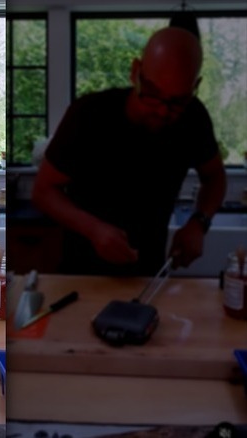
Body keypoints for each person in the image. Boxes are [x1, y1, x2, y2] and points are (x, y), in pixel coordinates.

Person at [32, 26, 227, 277]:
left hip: (149, 272)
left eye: (177, 101)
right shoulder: (88, 115)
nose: (162, 111)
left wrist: (199, 223)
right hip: (81, 272)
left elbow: (215, 177)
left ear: (195, 86)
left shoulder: (193, 118)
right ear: (136, 72)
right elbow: (43, 191)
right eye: (154, 95)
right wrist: (94, 229)